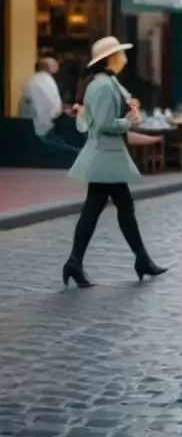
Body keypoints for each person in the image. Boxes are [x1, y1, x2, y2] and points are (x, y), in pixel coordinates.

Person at [62, 37, 168, 288]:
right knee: (113, 208)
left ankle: (78, 262)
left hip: (108, 157)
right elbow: (104, 125)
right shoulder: (102, 86)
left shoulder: (107, 83)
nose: (124, 59)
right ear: (109, 59)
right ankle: (138, 260)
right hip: (105, 156)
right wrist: (128, 122)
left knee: (106, 208)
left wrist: (130, 112)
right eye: (120, 54)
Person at [19, 57, 80, 156]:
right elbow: (51, 105)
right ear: (47, 67)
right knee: (58, 146)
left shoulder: (35, 79)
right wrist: (63, 110)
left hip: (33, 122)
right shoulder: (44, 80)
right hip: (44, 123)